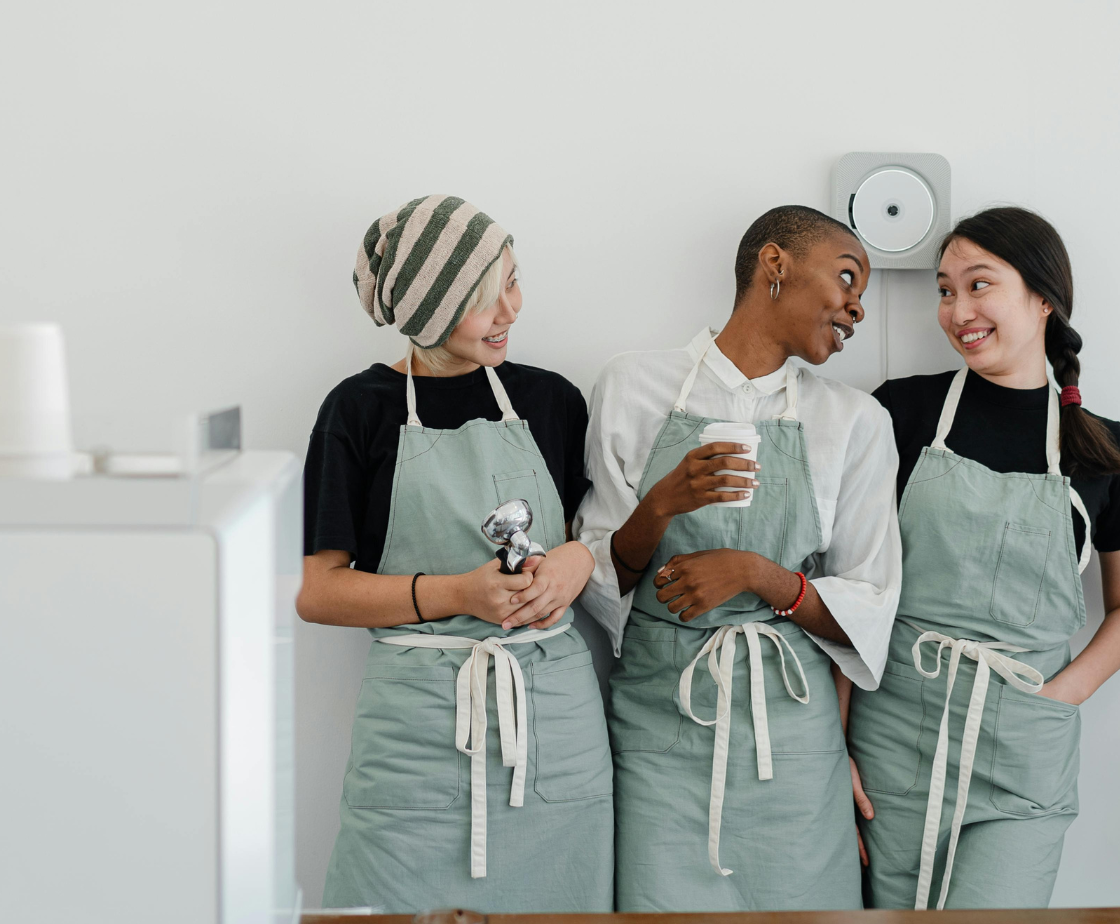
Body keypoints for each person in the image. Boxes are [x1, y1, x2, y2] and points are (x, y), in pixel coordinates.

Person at [573, 205, 902, 911]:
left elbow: (871, 605)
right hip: (658, 737)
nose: (856, 308)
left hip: (794, 745)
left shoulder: (856, 423)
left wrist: (762, 576)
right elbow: (598, 581)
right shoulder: (634, 385)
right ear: (774, 264)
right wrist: (659, 505)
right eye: (847, 277)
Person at [298, 195, 613, 913]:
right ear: (431, 311)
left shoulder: (553, 401)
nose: (513, 308)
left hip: (553, 727)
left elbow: (603, 533)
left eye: (513, 279)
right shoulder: (358, 411)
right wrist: (458, 594)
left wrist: (577, 562)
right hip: (417, 737)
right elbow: (320, 591)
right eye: (485, 296)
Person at [847, 206, 1120, 910]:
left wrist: (1058, 699)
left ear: (1043, 297)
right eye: (944, 290)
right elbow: (848, 583)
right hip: (894, 735)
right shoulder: (899, 414)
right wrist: (836, 749)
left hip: (1022, 747)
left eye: (978, 285)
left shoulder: (1105, 451)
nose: (958, 309)